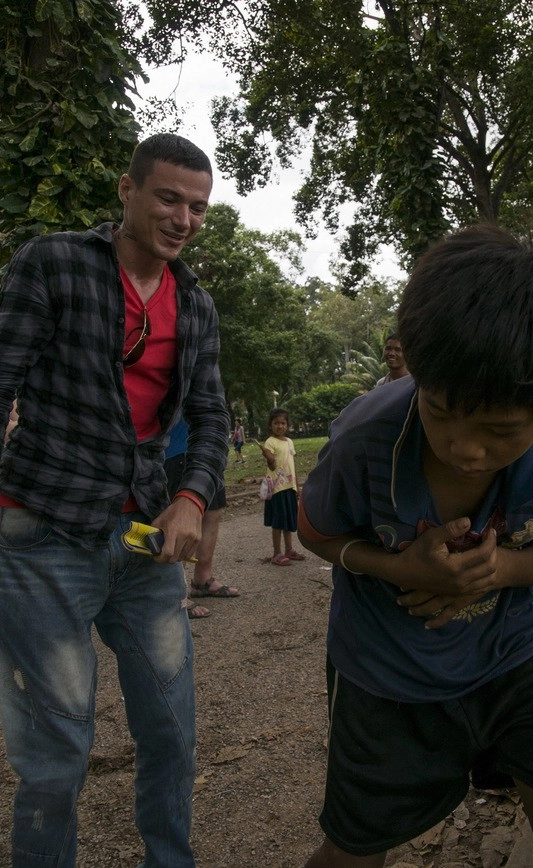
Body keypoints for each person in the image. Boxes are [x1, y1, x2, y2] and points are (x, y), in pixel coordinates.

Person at [298, 224, 533, 868]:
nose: (465, 448)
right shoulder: (367, 437)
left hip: (513, 662)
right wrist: (394, 566)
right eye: (441, 411)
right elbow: (318, 534)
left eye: (500, 431)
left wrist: (498, 568)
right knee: (353, 852)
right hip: (384, 680)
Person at [0, 133, 228, 867]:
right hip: (44, 534)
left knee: (172, 731)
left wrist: (192, 495)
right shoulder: (55, 262)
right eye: (167, 198)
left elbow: (213, 419)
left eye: (197, 206)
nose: (182, 218)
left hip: (142, 540)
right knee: (57, 749)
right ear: (127, 191)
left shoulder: (196, 305)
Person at [164, 417, 240, 620]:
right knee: (182, 517)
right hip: (176, 450)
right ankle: (175, 592)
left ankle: (202, 580)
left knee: (212, 511)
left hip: (206, 451)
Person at [258, 407, 306, 566]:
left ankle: (289, 549)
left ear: (287, 425)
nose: (280, 426)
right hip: (277, 489)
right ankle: (276, 553)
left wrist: (297, 488)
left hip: (289, 488)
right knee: (278, 522)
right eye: (276, 423)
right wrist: (269, 458)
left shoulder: (289, 442)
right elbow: (272, 467)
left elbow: (292, 466)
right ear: (270, 425)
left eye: (283, 423)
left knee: (288, 520)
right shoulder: (270, 442)